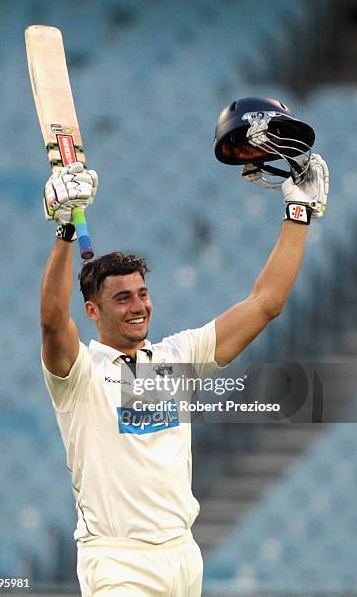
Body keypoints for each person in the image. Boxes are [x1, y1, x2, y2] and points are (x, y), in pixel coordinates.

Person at [40, 100, 329, 596]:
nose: (138, 307)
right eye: (122, 298)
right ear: (93, 311)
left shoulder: (177, 357)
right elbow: (50, 321)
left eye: (143, 294)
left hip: (182, 559)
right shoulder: (80, 373)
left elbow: (266, 303)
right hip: (117, 563)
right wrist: (66, 229)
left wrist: (297, 213)